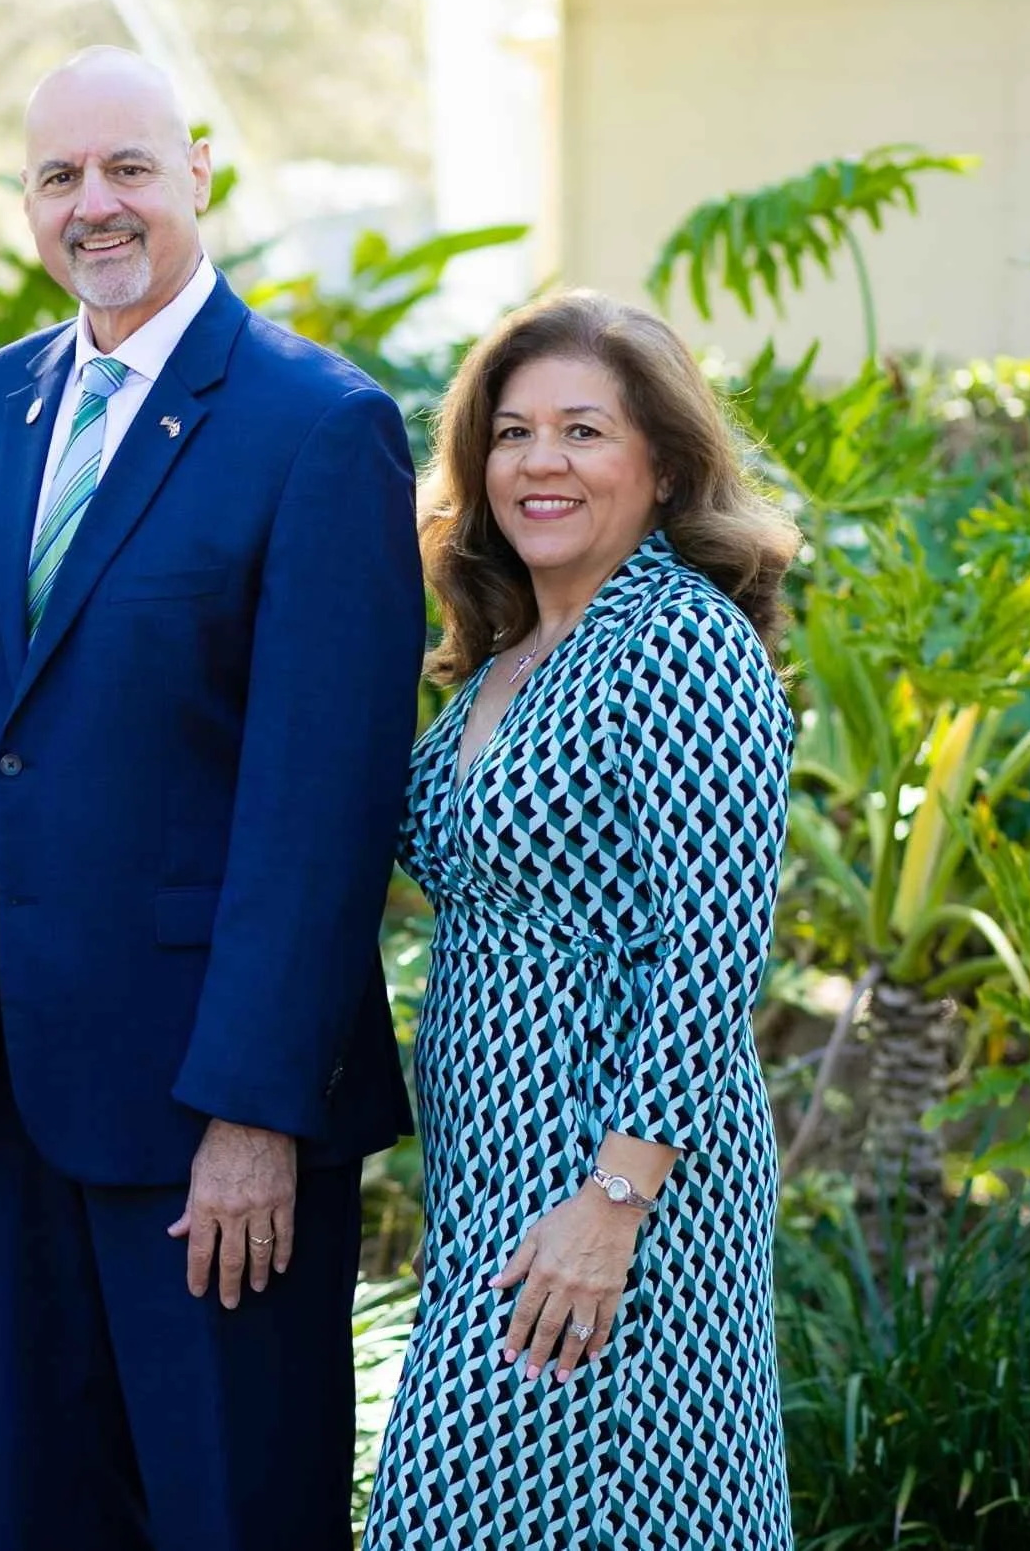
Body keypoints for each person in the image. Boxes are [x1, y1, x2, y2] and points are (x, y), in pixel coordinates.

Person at [0, 45, 426, 1550]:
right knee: (47, 1514)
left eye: (128, 167)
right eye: (60, 176)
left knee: (229, 1509)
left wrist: (252, 1109)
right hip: (7, 1100)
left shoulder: (316, 423)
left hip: (208, 1112)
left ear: (199, 175)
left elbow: (320, 813)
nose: (95, 203)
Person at [364, 290, 799, 1549]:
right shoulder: (509, 654)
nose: (539, 461)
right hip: (492, 1174)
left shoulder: (678, 643)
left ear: (661, 465)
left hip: (620, 1183)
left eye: (583, 430)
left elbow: (713, 954)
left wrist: (612, 1202)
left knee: (586, 1505)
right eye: (510, 432)